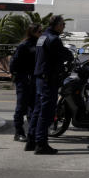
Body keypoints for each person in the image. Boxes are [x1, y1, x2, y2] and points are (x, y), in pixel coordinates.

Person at [27, 15, 72, 155]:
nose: (64, 26)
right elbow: (64, 55)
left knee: (38, 110)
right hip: (48, 79)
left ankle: (31, 141)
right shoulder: (54, 39)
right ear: (57, 25)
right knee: (46, 113)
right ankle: (41, 144)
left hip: (40, 78)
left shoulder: (42, 37)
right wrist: (69, 55)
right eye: (63, 24)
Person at [9, 23, 42, 142]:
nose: (41, 34)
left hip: (34, 79)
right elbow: (14, 62)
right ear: (32, 32)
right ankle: (18, 132)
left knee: (33, 107)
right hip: (24, 79)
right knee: (21, 107)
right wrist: (15, 75)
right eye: (39, 31)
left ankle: (32, 132)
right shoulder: (24, 45)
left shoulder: (39, 44)